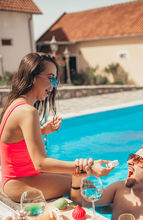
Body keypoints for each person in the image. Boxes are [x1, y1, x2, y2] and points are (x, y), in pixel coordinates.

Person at [0, 52, 113, 203]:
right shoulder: (28, 112)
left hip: (18, 178)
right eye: (50, 78)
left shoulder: (15, 104)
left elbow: (12, 140)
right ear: (33, 76)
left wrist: (40, 131)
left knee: (78, 179)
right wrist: (89, 167)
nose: (53, 85)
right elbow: (40, 163)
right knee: (85, 185)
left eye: (55, 80)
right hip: (18, 183)